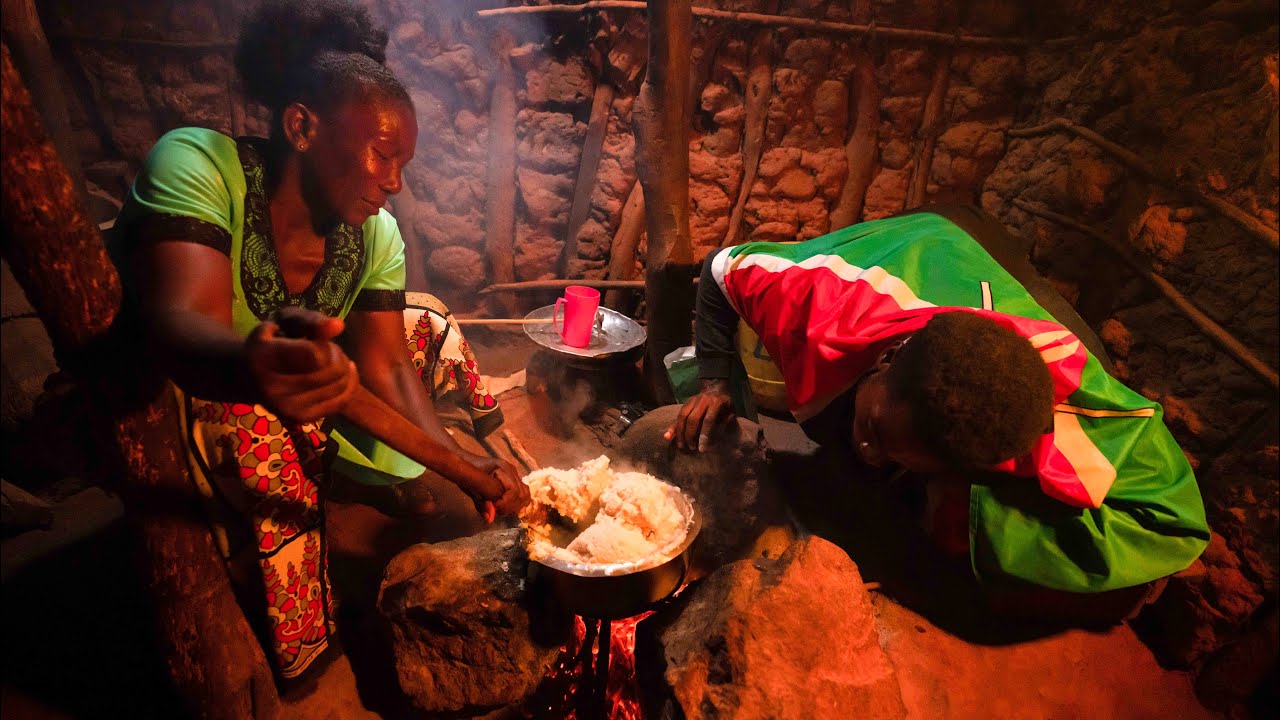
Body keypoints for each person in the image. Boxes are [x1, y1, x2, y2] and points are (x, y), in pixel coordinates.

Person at [108, 0, 527, 686]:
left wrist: (460, 467)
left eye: (404, 163)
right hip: (171, 389)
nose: (394, 181)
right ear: (301, 125)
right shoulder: (198, 164)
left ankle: (360, 468)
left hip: (300, 383)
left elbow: (388, 366)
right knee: (262, 427)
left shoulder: (374, 232)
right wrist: (254, 364)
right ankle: (295, 624)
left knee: (430, 326)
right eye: (382, 155)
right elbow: (176, 325)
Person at [667, 205, 1210, 611]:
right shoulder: (818, 297)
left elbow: (1177, 526)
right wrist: (714, 385)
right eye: (874, 428)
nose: (865, 448)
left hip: (972, 317)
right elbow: (718, 268)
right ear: (887, 362)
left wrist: (980, 520)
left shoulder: (1079, 409)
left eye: (902, 456)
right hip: (912, 252)